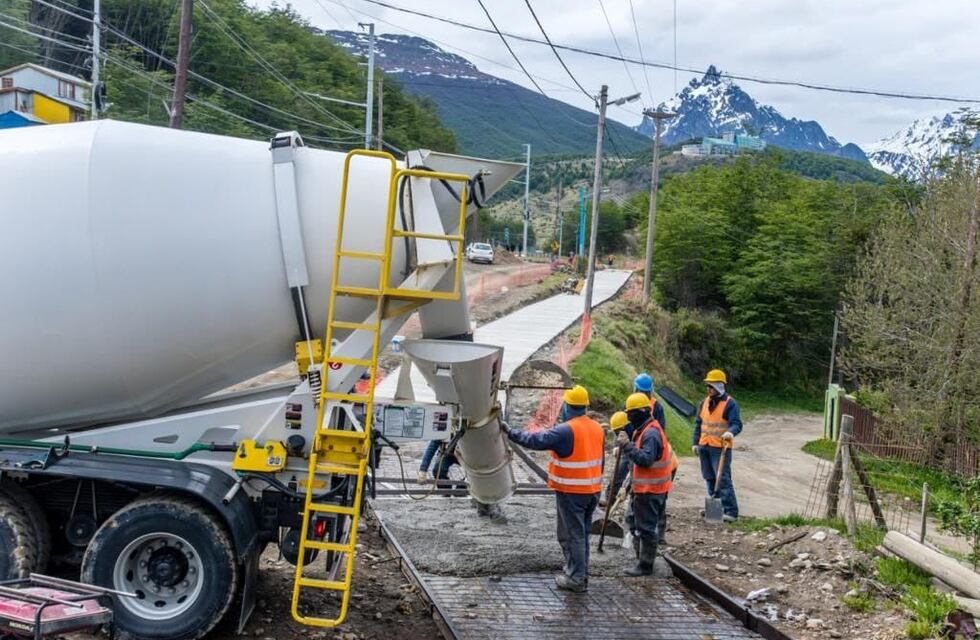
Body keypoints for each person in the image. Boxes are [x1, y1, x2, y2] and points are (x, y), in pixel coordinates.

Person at [503, 385, 604, 593]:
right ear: (584, 406)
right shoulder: (596, 427)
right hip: (592, 490)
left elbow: (535, 440)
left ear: (567, 406)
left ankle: (576, 579)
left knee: (572, 534)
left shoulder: (566, 430)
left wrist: (509, 432)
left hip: (572, 492)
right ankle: (579, 572)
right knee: (582, 533)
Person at [617, 392, 673, 576]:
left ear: (641, 412)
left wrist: (627, 446)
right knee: (638, 524)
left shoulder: (650, 433)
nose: (629, 417)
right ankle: (642, 559)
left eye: (631, 413)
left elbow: (645, 459)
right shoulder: (645, 429)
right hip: (646, 489)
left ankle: (646, 565)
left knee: (647, 528)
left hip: (650, 490)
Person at [693, 369, 743, 522]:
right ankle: (716, 508)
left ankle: (731, 511)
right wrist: (695, 442)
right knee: (709, 477)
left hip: (720, 448)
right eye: (707, 386)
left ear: (719, 386)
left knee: (723, 479)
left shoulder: (730, 404)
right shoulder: (704, 403)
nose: (708, 389)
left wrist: (731, 432)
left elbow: (737, 424)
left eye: (711, 386)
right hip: (705, 446)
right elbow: (698, 424)